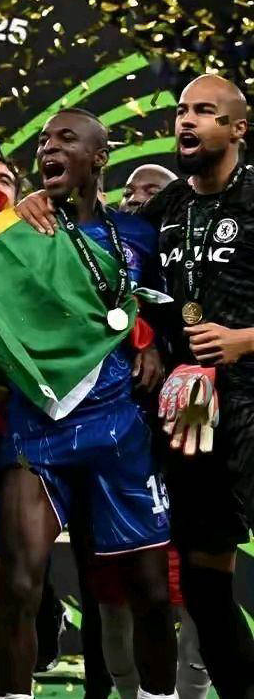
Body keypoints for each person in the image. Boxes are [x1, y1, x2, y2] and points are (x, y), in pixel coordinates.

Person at [0, 108, 178, 699]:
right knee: (19, 586)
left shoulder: (138, 235)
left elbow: (156, 306)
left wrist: (152, 343)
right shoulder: (17, 233)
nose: (49, 147)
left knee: (150, 592)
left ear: (99, 158)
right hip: (38, 427)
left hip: (119, 426)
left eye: (66, 139)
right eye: (43, 140)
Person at [138, 75, 254, 699]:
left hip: (253, 398)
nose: (187, 120)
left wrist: (245, 340)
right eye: (182, 110)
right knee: (206, 584)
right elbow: (105, 254)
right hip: (192, 415)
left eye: (204, 112)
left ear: (237, 128)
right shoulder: (167, 207)